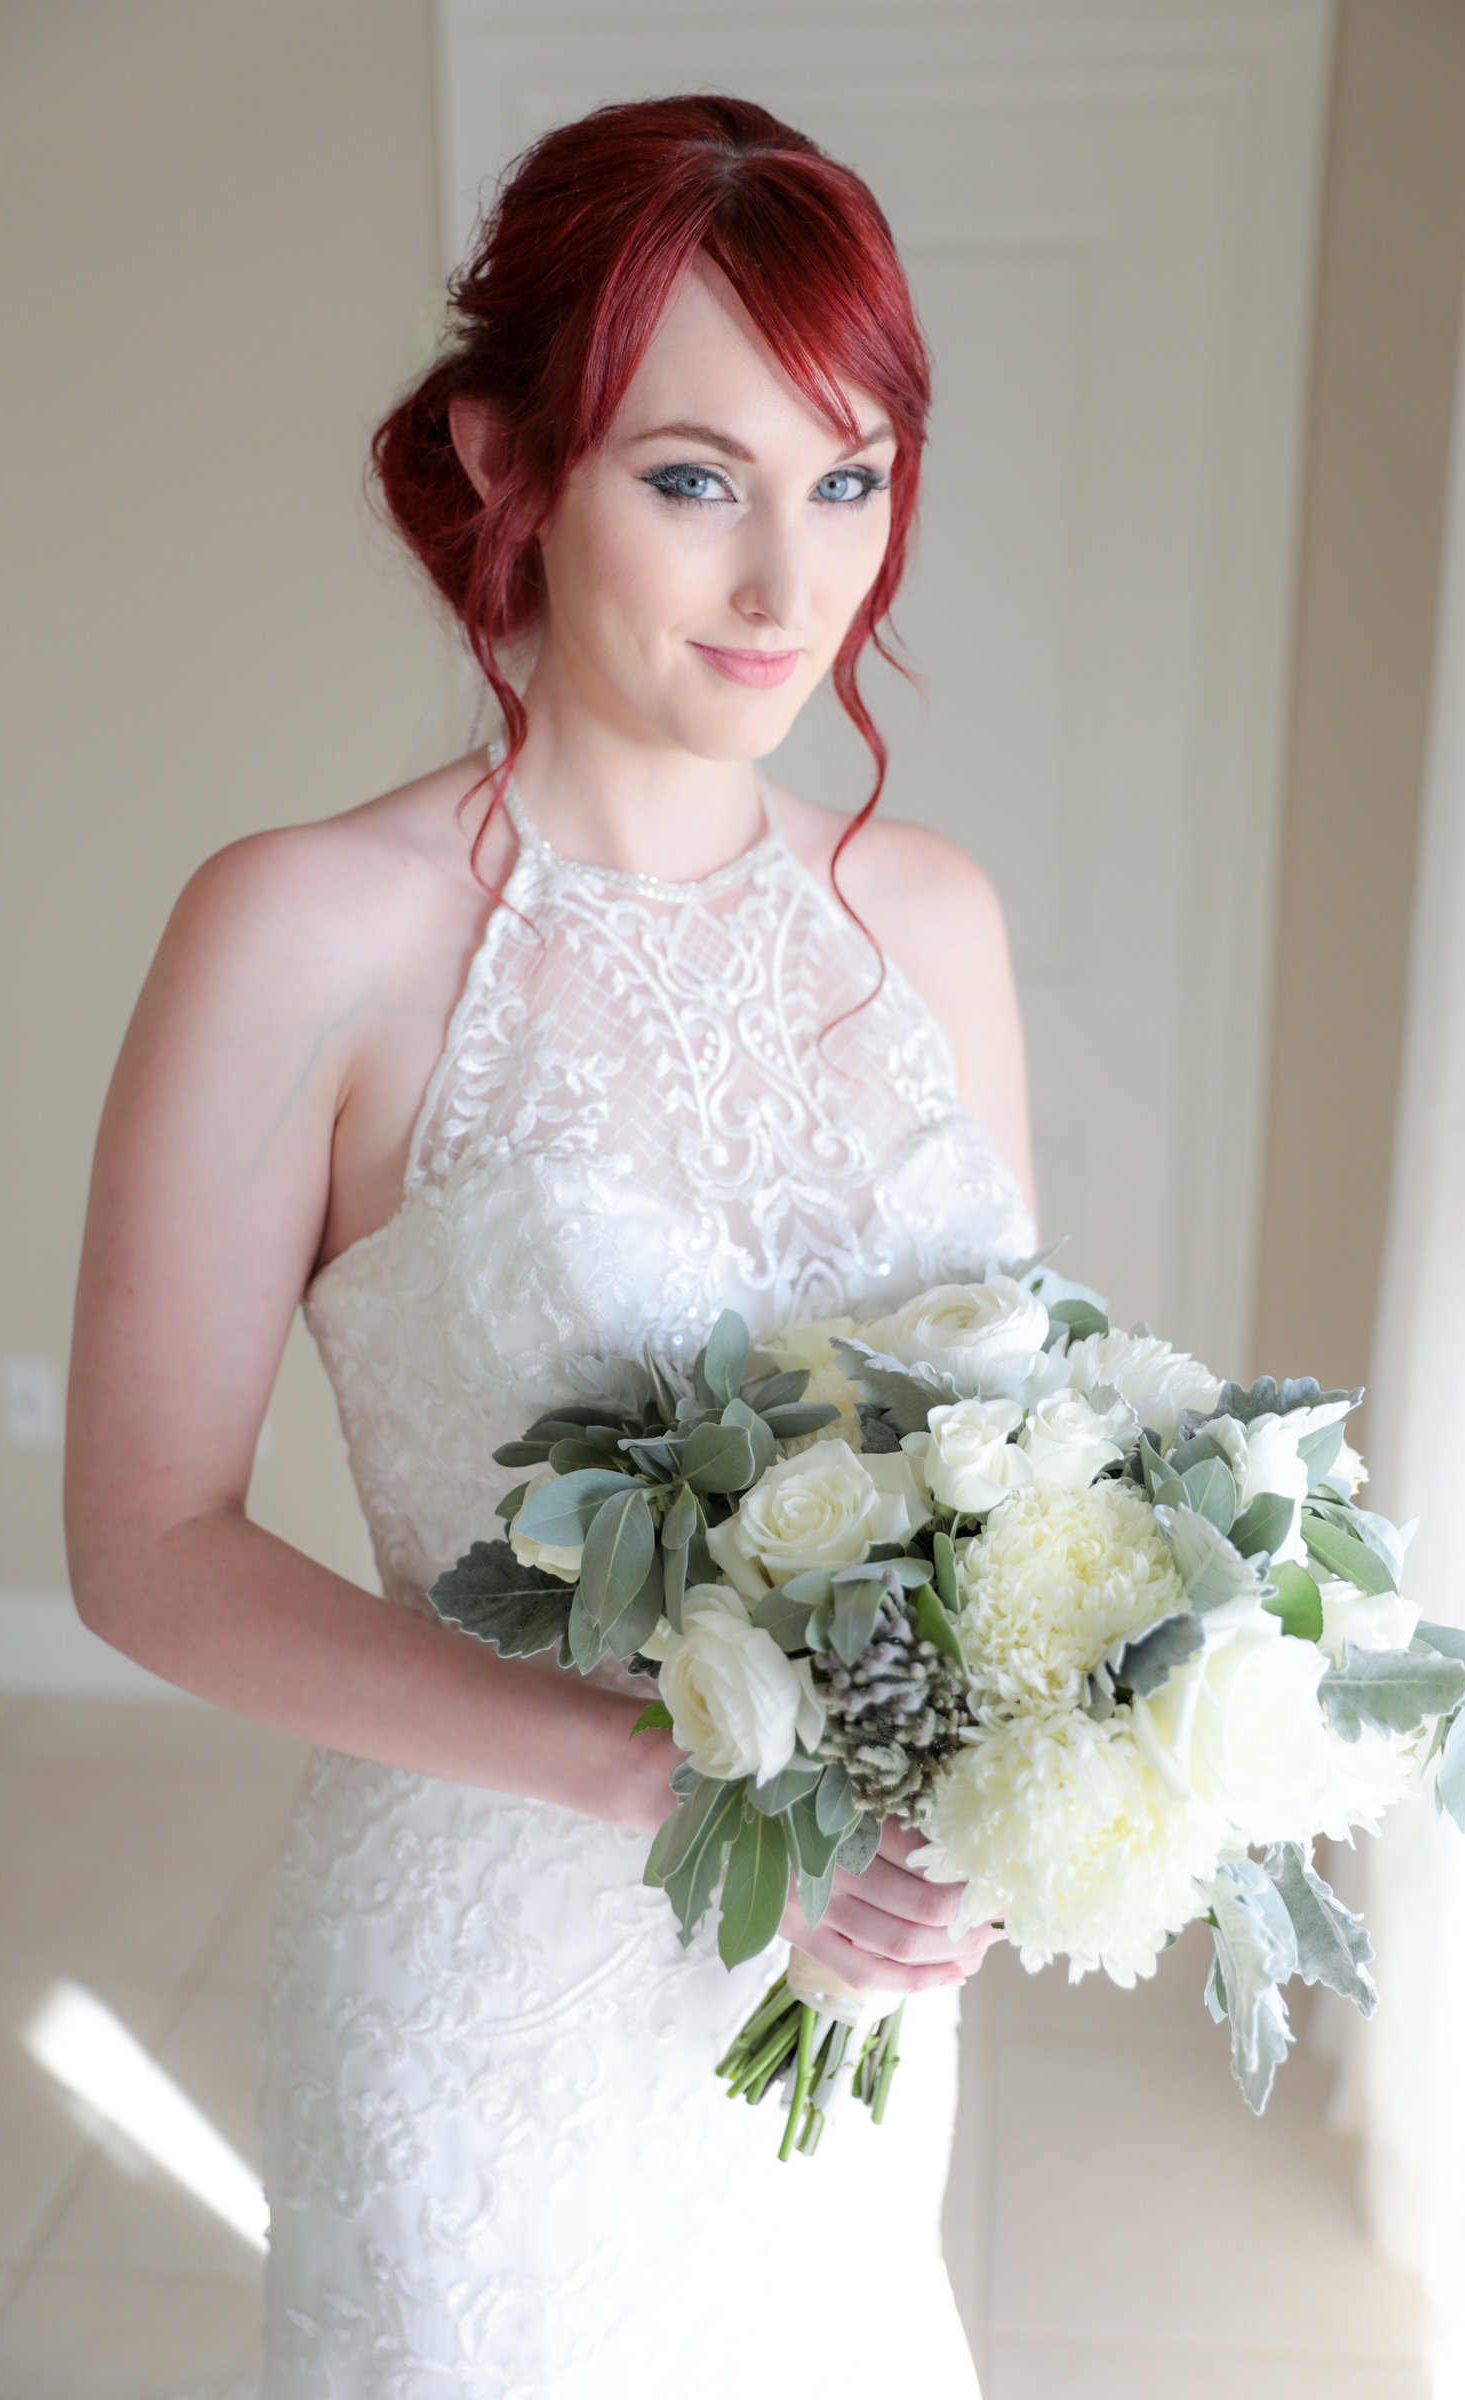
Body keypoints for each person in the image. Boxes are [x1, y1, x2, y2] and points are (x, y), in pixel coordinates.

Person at [66, 94, 1036, 2398]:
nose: (788, 590)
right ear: (509, 459)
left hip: (832, 2029)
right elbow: (144, 1544)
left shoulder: (931, 921)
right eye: (695, 479)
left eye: (850, 476)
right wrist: (656, 1775)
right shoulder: (304, 928)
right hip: (486, 2012)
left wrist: (993, 1805)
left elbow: (1011, 1494)